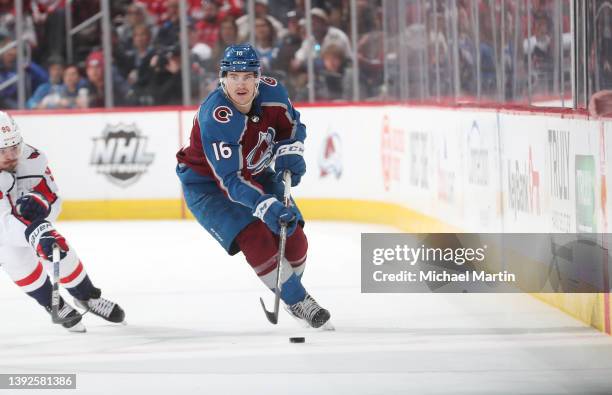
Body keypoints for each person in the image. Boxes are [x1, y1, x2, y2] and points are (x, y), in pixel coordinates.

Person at [176, 44, 331, 329]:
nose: (241, 83)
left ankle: (290, 289)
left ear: (259, 77)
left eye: (248, 76)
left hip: (257, 174)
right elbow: (231, 180)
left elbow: (293, 126)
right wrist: (265, 206)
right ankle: (298, 301)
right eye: (234, 76)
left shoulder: (274, 93)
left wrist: (291, 150)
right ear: (222, 78)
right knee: (255, 236)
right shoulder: (216, 116)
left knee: (294, 237)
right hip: (208, 186)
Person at [0, 112, 125, 333]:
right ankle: (53, 304)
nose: (11, 156)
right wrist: (37, 233)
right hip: (4, 231)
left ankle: (87, 296)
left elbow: (54, 198)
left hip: (24, 225)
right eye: (3, 151)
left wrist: (43, 205)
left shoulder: (33, 158)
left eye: (14, 147)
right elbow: (4, 227)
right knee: (16, 259)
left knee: (58, 248)